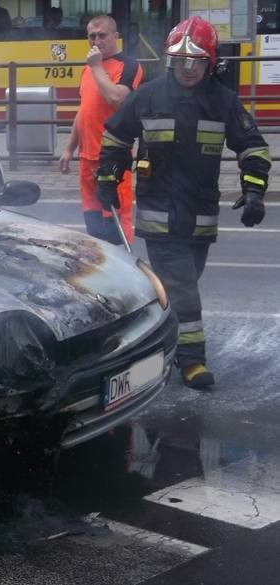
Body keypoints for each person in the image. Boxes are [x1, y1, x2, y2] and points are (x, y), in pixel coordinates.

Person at [96, 16, 271, 389]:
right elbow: (115, 138)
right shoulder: (149, 96)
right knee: (185, 292)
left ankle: (152, 344)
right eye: (180, 60)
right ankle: (192, 363)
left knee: (179, 288)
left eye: (196, 61)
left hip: (200, 217)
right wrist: (107, 179)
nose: (188, 69)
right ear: (170, 61)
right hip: (159, 215)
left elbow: (253, 148)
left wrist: (254, 191)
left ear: (210, 63)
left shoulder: (223, 102)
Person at [59, 15, 143, 244]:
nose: (96, 40)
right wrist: (69, 149)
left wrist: (96, 67)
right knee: (94, 226)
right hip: (87, 159)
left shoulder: (128, 66)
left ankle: (124, 272)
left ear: (115, 37)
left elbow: (117, 98)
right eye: (92, 36)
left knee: (115, 224)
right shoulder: (87, 71)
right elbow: (83, 111)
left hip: (113, 159)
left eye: (102, 35)